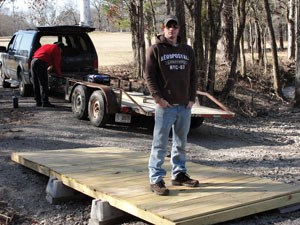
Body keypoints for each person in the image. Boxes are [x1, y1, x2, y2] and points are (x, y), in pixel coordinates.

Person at [145, 15, 199, 196]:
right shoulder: (155, 49)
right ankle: (156, 179)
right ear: (163, 28)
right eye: (169, 26)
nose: (172, 29)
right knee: (159, 144)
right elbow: (150, 77)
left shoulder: (187, 50)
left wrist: (192, 98)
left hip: (184, 105)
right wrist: (158, 99)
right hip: (165, 106)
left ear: (179, 29)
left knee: (181, 142)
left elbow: (193, 76)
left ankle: (179, 174)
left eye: (175, 26)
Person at [31, 42, 64, 107]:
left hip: (33, 61)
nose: (61, 52)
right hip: (40, 63)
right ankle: (45, 102)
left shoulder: (47, 45)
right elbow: (56, 64)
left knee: (36, 83)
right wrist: (59, 74)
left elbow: (39, 54)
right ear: (60, 48)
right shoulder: (56, 49)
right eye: (61, 51)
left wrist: (48, 65)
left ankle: (38, 101)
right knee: (44, 83)